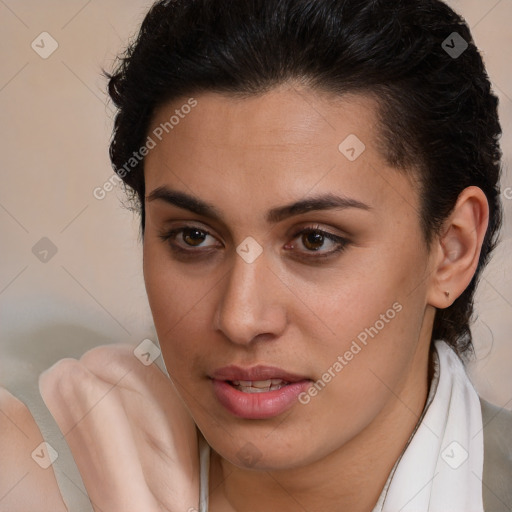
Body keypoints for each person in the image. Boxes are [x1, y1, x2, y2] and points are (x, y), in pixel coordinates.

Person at [1, 0, 511, 510]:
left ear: (451, 248)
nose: (240, 319)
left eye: (315, 240)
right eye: (194, 237)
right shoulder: (34, 470)